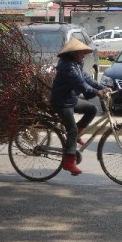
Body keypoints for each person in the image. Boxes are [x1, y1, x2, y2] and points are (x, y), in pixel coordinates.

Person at [50, 38, 109, 176]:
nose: (83, 55)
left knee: (92, 109)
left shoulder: (76, 63)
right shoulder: (67, 67)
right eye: (81, 53)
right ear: (74, 53)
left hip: (71, 99)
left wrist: (102, 87)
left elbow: (87, 79)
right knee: (71, 130)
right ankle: (69, 162)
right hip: (62, 102)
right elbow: (80, 84)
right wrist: (95, 92)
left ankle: (78, 133)